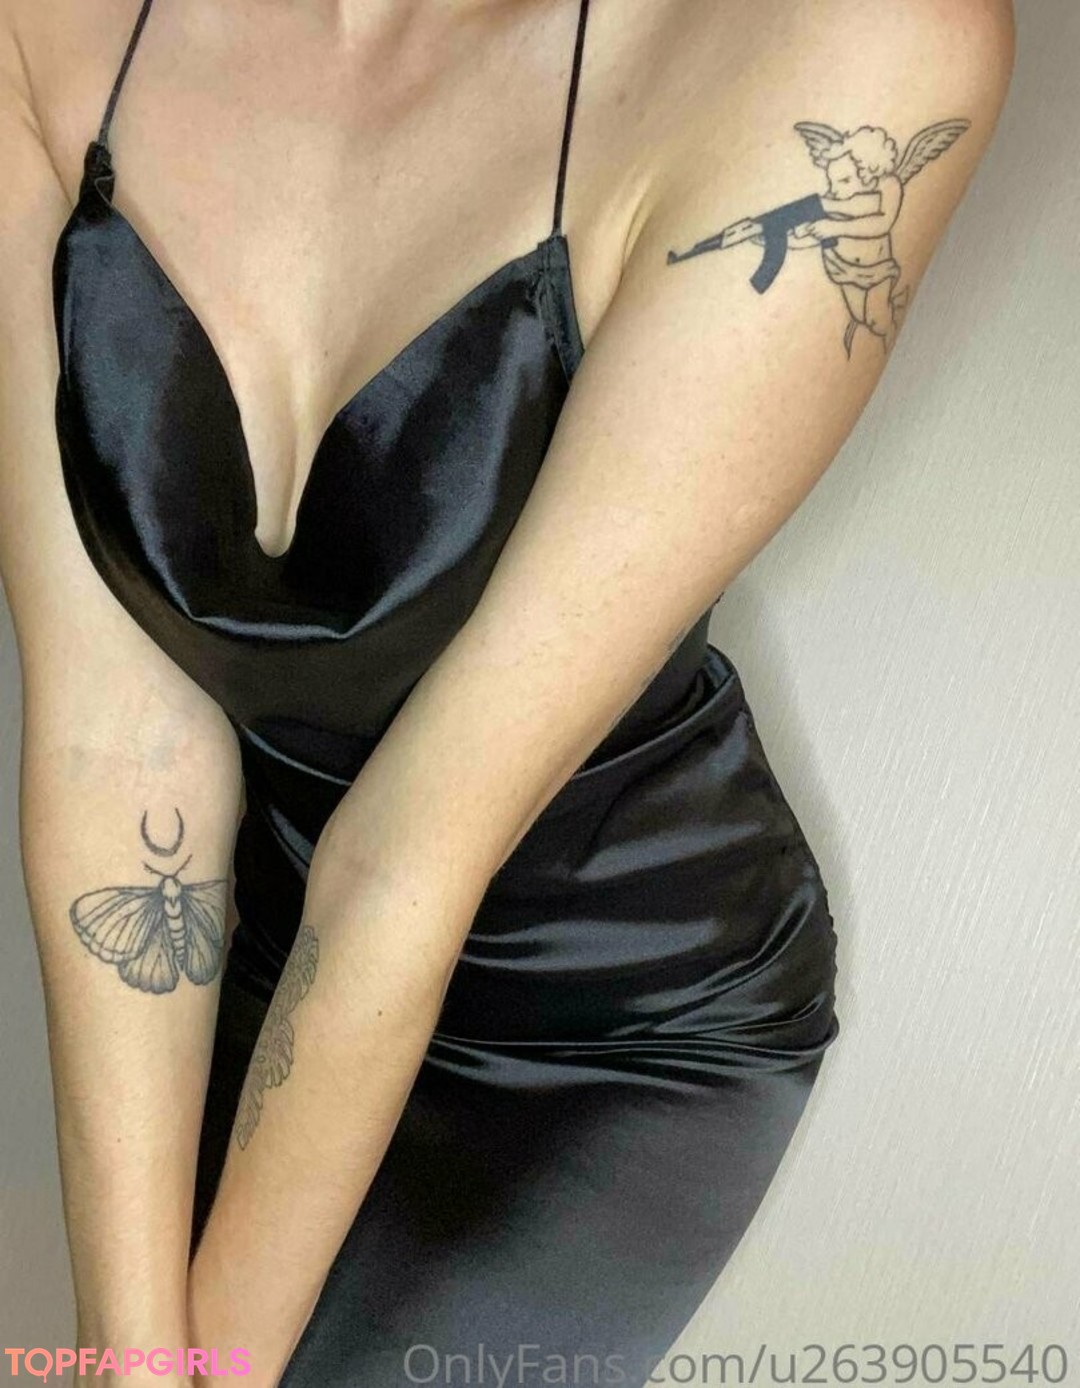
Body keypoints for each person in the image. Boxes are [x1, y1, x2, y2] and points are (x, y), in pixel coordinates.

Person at [0, 1, 1014, 1384]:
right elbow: (113, 746)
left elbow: (413, 852)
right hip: (271, 933)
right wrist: (131, 1364)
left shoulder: (857, 39)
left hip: (610, 1020)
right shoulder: (46, 29)